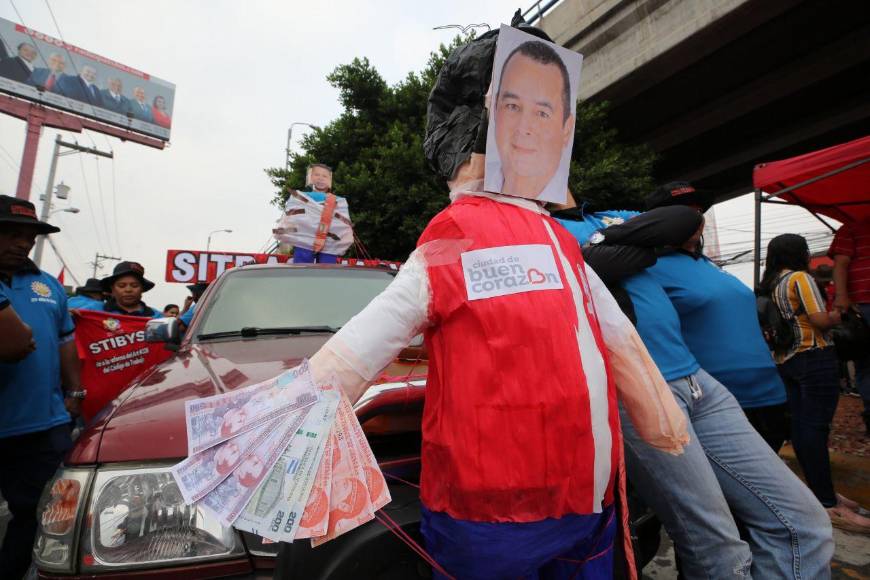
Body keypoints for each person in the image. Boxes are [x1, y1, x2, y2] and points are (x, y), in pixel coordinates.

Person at [278, 23, 690, 579]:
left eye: (543, 112)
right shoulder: (453, 236)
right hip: (488, 511)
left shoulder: (561, 243)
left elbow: (617, 339)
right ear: (479, 125)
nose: (524, 129)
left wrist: (657, 411)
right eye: (509, 108)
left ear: (564, 128)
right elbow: (364, 344)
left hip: (585, 497)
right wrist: (293, 414)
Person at [560, 202, 834, 579]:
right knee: (719, 549)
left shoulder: (609, 217)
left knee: (805, 525)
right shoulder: (534, 225)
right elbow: (578, 270)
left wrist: (599, 244)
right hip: (640, 391)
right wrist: (626, 249)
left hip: (700, 383)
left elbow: (685, 220)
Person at [644, 183, 790, 452]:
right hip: (720, 403)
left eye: (697, 211)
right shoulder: (647, 270)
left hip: (769, 393)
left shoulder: (711, 265)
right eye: (681, 212)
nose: (693, 218)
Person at [761, 233, 870, 533]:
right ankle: (827, 503)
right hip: (815, 355)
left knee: (802, 428)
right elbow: (820, 320)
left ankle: (823, 494)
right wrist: (838, 315)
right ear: (799, 253)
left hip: (788, 360)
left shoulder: (772, 284)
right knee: (814, 430)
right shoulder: (800, 278)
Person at [0, 195, 84, 579]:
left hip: (46, 425)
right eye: (11, 234)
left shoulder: (48, 285)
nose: (21, 243)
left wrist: (75, 395)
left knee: (54, 512)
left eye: (29, 236)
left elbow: (66, 341)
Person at [489, 39, 574, 199]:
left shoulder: (570, 222)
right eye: (512, 106)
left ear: (567, 130)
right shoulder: (471, 195)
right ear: (494, 109)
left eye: (542, 114)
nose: (524, 127)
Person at [829, 218, 870, 433]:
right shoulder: (851, 228)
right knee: (866, 364)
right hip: (863, 305)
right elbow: (841, 263)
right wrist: (842, 296)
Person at [275, 163, 354, 264]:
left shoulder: (339, 200)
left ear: (330, 180)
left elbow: (342, 222)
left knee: (328, 264)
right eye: (317, 175)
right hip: (304, 237)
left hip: (329, 240)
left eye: (324, 176)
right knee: (302, 263)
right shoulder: (301, 196)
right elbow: (292, 215)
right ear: (310, 177)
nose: (320, 178)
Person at [96, 261, 162, 318]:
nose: (128, 290)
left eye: (135, 285)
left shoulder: (156, 317)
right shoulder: (94, 311)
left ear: (142, 288)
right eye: (121, 286)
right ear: (112, 289)